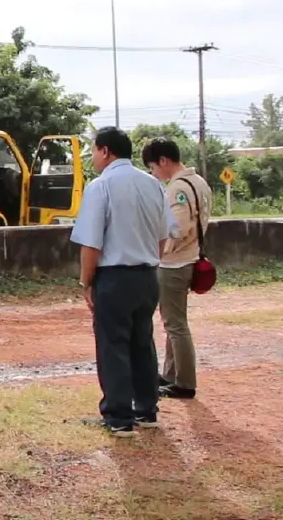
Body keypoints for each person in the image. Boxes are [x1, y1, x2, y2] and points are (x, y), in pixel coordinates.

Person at [70, 126, 176, 437]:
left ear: (105, 151)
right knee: (142, 342)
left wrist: (86, 283)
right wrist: (149, 263)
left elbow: (91, 244)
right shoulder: (153, 185)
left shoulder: (101, 186)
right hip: (147, 275)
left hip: (114, 277)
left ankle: (118, 416)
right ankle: (146, 409)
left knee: (113, 345)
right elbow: (162, 237)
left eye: (94, 150)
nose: (92, 157)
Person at [142, 137, 211, 400]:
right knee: (174, 323)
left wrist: (161, 251)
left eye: (153, 167)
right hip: (190, 257)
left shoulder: (177, 188)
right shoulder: (199, 183)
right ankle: (171, 375)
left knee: (176, 325)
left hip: (176, 263)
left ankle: (184, 382)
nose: (153, 174)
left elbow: (179, 228)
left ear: (163, 161)